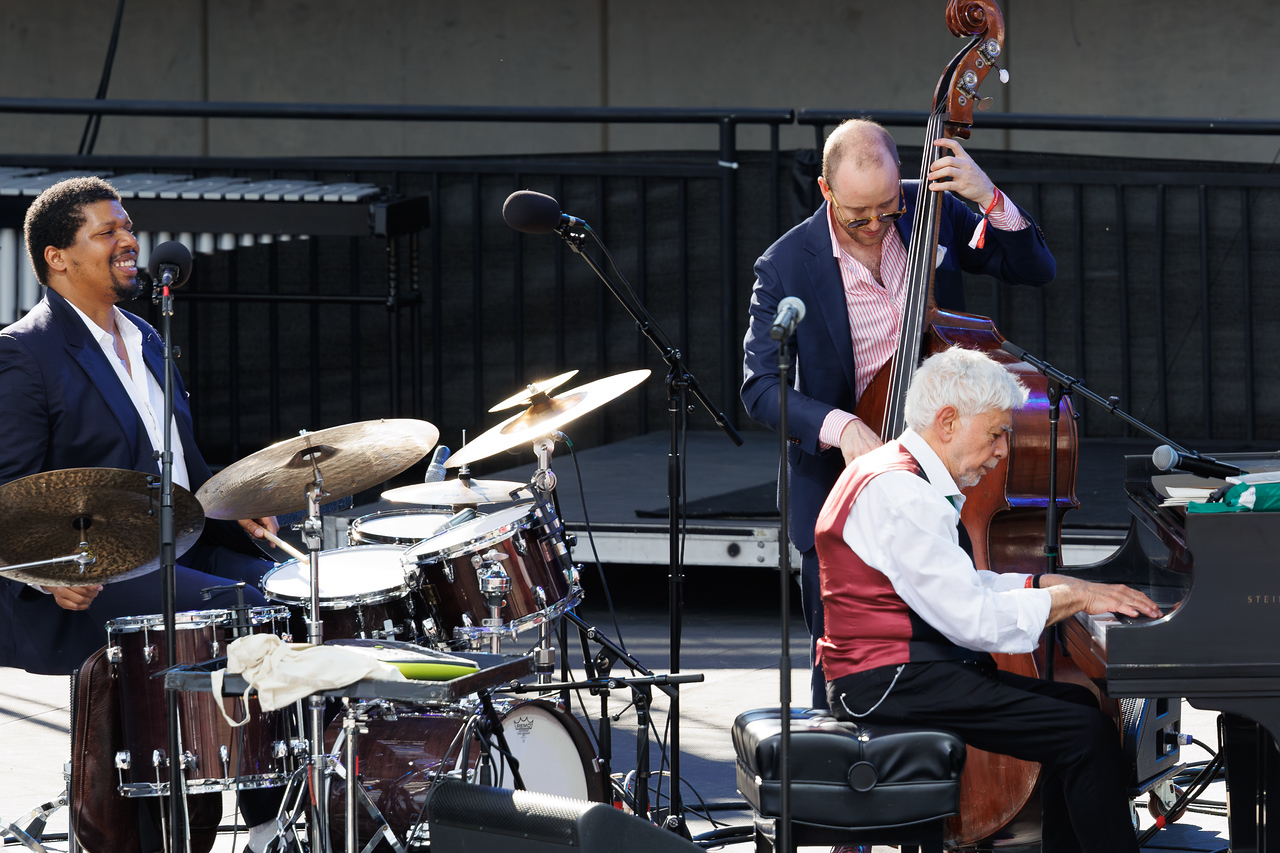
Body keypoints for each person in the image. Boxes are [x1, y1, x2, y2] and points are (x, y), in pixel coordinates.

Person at [0, 176, 284, 850]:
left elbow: (180, 459)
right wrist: (43, 571)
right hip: (93, 570)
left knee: (294, 593)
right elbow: (8, 490)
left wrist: (238, 505)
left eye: (127, 226)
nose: (129, 240)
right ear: (56, 257)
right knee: (243, 609)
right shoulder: (24, 352)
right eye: (107, 231)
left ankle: (278, 810)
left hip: (182, 541)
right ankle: (253, 814)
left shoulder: (149, 336)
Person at [741, 118, 1056, 708]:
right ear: (825, 190)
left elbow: (1036, 268)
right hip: (840, 493)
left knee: (951, 664)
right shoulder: (784, 265)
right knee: (844, 678)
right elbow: (759, 387)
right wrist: (842, 427)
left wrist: (987, 197)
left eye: (886, 209)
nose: (874, 225)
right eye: (857, 214)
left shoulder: (929, 211)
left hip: (947, 480)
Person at [817, 346, 1161, 853]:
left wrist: (1045, 586)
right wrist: (1069, 597)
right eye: (996, 433)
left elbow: (957, 584)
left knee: (1077, 706)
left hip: (905, 671)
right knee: (1082, 732)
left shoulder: (896, 474)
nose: (1002, 451)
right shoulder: (901, 491)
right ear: (948, 421)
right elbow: (972, 621)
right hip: (889, 681)